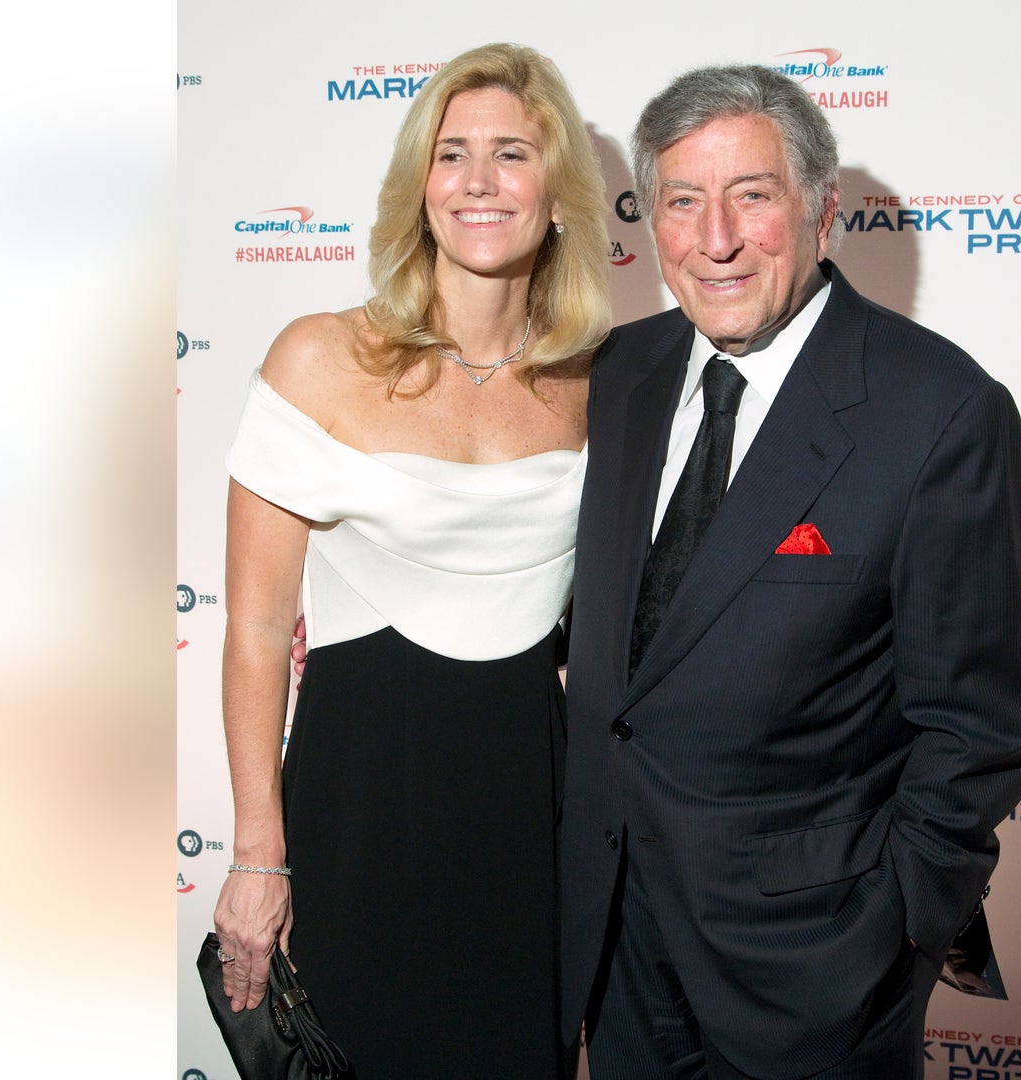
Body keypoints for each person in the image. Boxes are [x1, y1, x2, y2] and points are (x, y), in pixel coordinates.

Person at [558, 65, 1021, 1079]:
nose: (716, 238)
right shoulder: (615, 377)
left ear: (822, 211)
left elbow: (981, 724)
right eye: (683, 203)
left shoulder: (939, 413)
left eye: (752, 196)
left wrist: (893, 929)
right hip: (619, 950)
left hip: (818, 972)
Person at [212, 42, 609, 1079]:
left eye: (512, 154)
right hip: (361, 804)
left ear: (559, 195)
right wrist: (259, 852)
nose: (478, 181)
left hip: (531, 809)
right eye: (452, 155)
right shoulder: (319, 358)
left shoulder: (603, 383)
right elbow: (255, 628)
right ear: (420, 189)